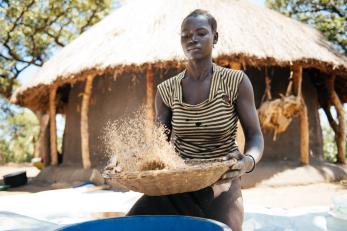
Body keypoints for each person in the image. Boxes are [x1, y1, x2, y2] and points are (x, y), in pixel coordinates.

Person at [127, 9, 264, 231]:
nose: (193, 38)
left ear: (215, 37)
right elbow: (159, 142)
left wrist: (247, 162)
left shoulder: (235, 82)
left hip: (222, 182)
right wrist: (129, 159)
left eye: (201, 33)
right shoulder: (166, 91)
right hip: (177, 184)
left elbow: (255, 135)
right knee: (129, 225)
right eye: (186, 34)